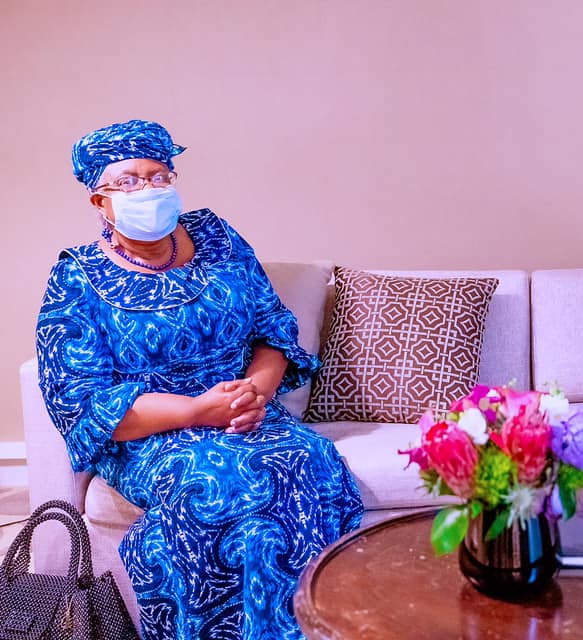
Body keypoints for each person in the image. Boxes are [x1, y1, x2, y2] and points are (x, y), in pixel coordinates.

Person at [36, 119, 364, 639]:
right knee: (218, 482)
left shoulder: (216, 236)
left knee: (307, 459)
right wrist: (196, 411)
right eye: (128, 182)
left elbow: (272, 331)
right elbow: (85, 404)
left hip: (242, 409)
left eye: (159, 176)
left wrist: (255, 390)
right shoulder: (76, 277)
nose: (148, 189)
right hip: (152, 433)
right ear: (100, 202)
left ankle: (316, 625)